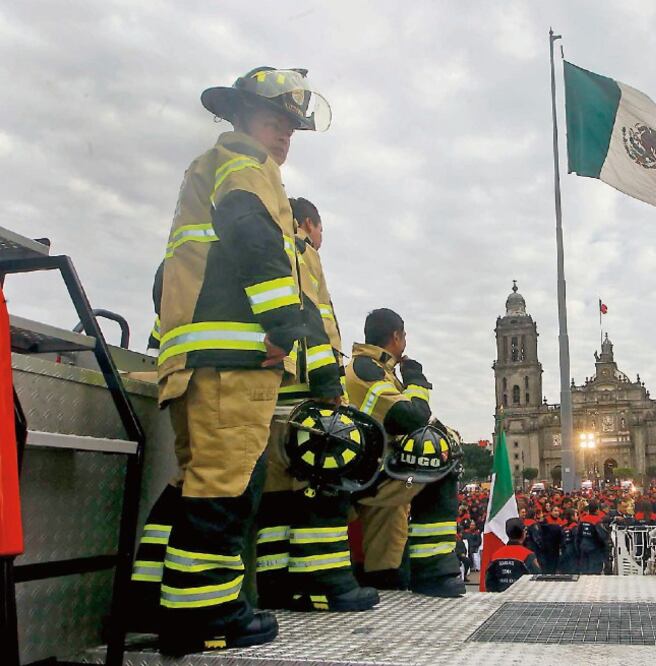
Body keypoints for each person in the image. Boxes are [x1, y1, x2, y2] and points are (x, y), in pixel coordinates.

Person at [129, 67, 334, 654]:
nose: (283, 140)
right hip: (233, 360)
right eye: (276, 123)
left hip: (197, 356)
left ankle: (154, 599)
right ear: (242, 117)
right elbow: (252, 239)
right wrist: (285, 328)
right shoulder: (246, 166)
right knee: (225, 487)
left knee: (192, 482)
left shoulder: (208, 167)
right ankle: (207, 615)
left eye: (292, 131)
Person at [252, 196, 379, 613]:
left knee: (275, 499)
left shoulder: (255, 243)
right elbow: (312, 319)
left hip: (267, 391)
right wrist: (328, 381)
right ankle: (324, 584)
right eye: (321, 229)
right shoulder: (299, 249)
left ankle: (275, 585)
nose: (321, 238)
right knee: (320, 486)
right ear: (309, 222)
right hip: (303, 391)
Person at [344, 308, 464, 597]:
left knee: (392, 518)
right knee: (435, 467)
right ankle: (435, 570)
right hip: (366, 475)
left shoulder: (376, 369)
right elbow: (410, 417)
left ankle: (387, 576)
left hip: (373, 471)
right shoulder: (365, 369)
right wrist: (416, 381)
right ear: (396, 336)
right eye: (404, 336)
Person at [484, 518, 542, 592]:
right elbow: (537, 578)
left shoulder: (496, 555)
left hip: (500, 600)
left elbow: (489, 582)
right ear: (523, 533)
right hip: (522, 598)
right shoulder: (528, 555)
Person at [577, 502, 608, 575]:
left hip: (583, 547)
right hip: (595, 549)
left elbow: (578, 535)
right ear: (597, 510)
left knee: (585, 571)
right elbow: (601, 536)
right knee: (595, 572)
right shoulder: (597, 520)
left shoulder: (582, 520)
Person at [556, 508, 580, 574]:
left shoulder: (563, 527)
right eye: (576, 515)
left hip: (564, 551)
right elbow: (576, 541)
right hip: (572, 551)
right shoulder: (574, 527)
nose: (577, 517)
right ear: (572, 517)